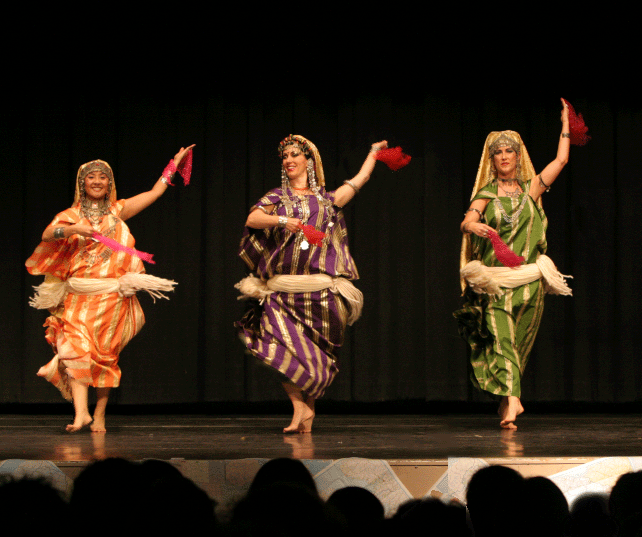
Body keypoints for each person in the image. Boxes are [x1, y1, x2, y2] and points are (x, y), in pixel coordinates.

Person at [26, 146, 193, 432]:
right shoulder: (70, 215)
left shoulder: (118, 211)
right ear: (82, 183)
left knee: (104, 359)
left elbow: (153, 194)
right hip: (79, 295)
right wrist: (73, 230)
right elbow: (46, 234)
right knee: (74, 351)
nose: (97, 181)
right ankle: (81, 413)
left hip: (111, 299)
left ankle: (99, 414)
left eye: (103, 177)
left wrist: (172, 166)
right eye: (91, 177)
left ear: (109, 183)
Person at [235, 135, 387, 433]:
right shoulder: (277, 197)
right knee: (275, 348)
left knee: (311, 357)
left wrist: (373, 153)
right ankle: (298, 406)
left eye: (294, 155)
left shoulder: (327, 201)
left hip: (319, 293)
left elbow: (360, 180)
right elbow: (253, 218)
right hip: (283, 291)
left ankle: (307, 412)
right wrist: (281, 221)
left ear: (308, 160)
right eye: (285, 157)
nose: (288, 160)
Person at [454, 100, 572, 429]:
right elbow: (468, 219)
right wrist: (472, 225)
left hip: (530, 282)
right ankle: (514, 402)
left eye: (510, 151)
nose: (504, 156)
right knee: (501, 336)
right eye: (498, 152)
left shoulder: (532, 189)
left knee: (516, 344)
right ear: (491, 161)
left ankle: (507, 400)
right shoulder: (486, 194)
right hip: (495, 282)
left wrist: (565, 124)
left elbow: (561, 160)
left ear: (518, 158)